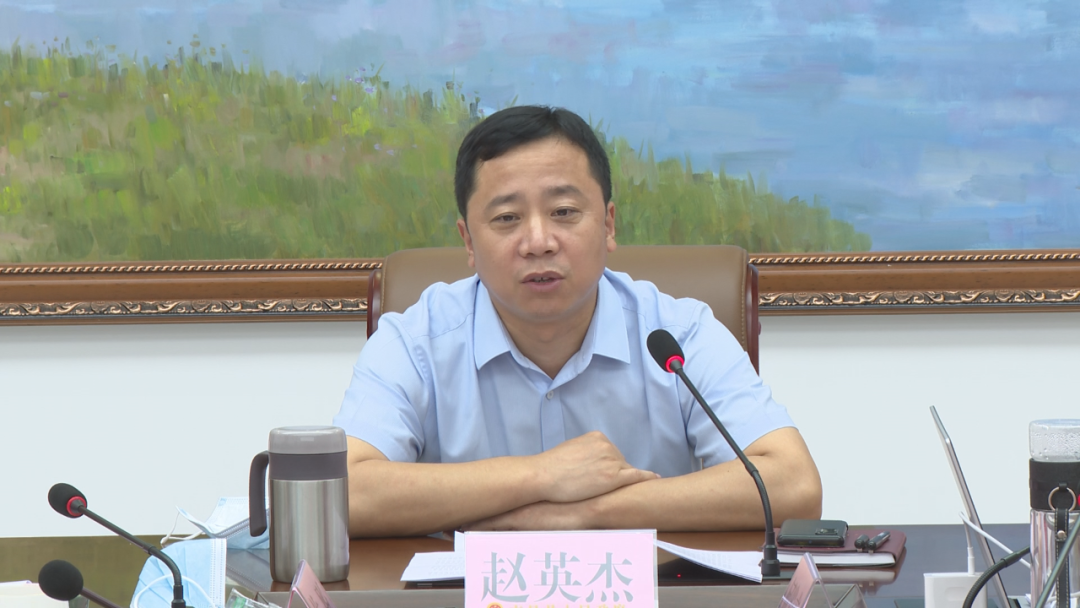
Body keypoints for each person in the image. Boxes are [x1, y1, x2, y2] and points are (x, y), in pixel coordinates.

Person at [333, 105, 822, 538]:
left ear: (608, 225)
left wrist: (587, 512)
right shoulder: (415, 343)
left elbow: (793, 485)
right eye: (506, 218)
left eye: (564, 212)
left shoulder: (677, 334)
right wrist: (542, 475)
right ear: (468, 242)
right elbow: (341, 493)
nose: (539, 242)